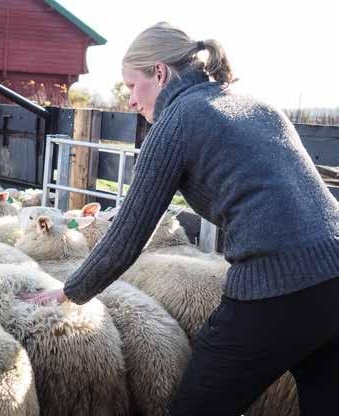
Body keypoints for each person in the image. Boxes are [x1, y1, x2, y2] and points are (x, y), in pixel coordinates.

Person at [20, 22, 339, 415]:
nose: (131, 101)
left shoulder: (178, 121)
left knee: (195, 406)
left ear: (160, 72)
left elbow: (129, 233)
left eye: (133, 86)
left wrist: (72, 291)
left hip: (274, 281)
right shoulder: (254, 103)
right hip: (334, 271)